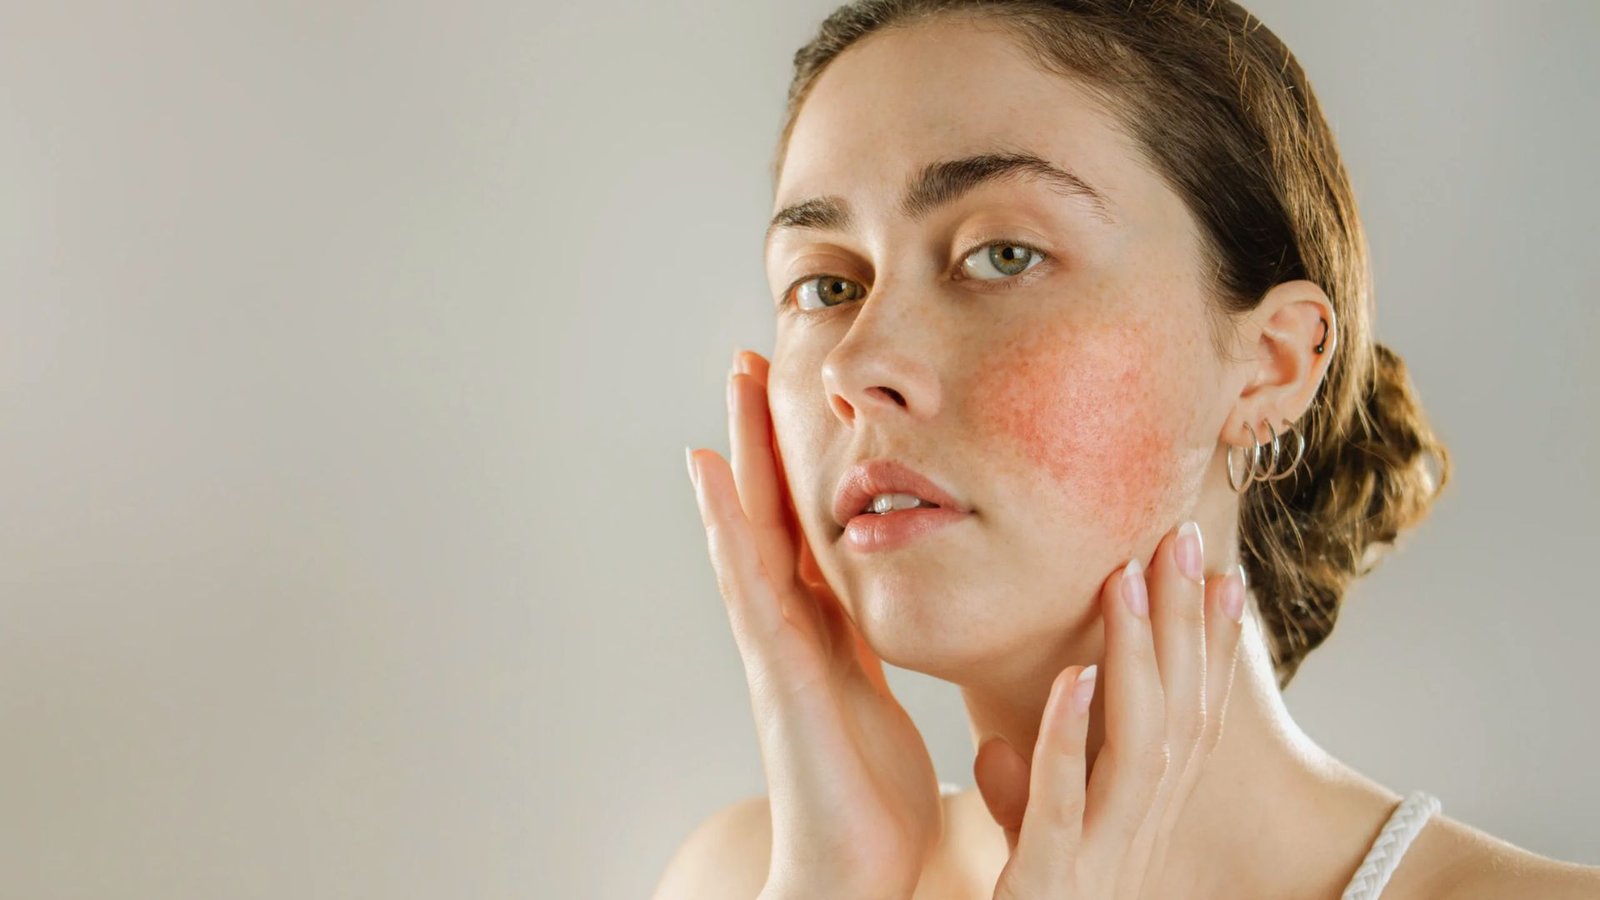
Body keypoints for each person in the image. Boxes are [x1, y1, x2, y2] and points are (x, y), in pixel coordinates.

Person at [660, 1, 1600, 897]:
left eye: (1003, 255)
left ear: (1270, 365)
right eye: (826, 286)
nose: (859, 362)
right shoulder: (745, 881)